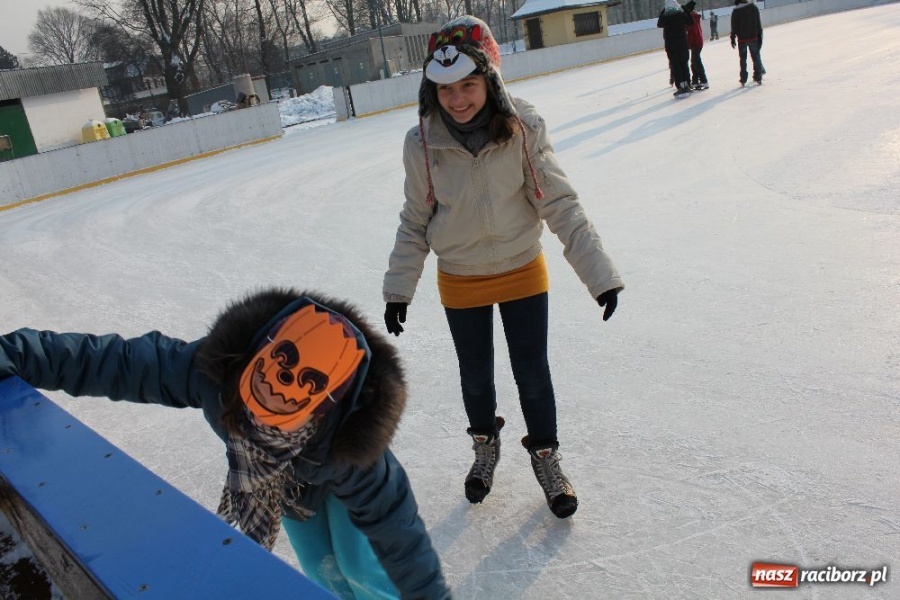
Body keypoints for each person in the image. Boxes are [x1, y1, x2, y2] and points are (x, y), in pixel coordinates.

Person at [0, 288, 450, 600]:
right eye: (276, 370)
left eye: (300, 388)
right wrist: (17, 353)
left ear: (324, 404)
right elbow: (116, 362)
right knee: (324, 572)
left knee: (364, 569)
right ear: (259, 352)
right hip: (283, 490)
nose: (275, 392)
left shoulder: (353, 451)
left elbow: (402, 537)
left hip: (335, 481)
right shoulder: (215, 374)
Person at [381, 16, 624, 520]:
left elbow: (560, 204)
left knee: (532, 374)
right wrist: (399, 288)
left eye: (468, 84)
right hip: (461, 275)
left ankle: (546, 458)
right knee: (475, 379)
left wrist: (599, 276)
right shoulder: (421, 143)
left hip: (520, 267)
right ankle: (484, 449)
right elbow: (415, 219)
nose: (457, 98)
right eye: (445, 88)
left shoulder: (522, 126)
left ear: (489, 79)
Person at [658, 0, 696, 98]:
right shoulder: (680, 14)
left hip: (671, 46)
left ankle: (681, 87)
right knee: (684, 64)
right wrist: (684, 10)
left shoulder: (665, 17)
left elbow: (659, 24)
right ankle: (687, 84)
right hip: (682, 44)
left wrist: (662, 12)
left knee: (676, 66)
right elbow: (691, 22)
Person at [731, 0, 766, 85]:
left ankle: (743, 78)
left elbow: (734, 26)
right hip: (753, 37)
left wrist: (732, 38)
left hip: (742, 39)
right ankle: (758, 76)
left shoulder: (736, 11)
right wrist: (760, 36)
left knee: (743, 59)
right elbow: (758, 23)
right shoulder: (753, 7)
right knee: (756, 57)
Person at [686, 4, 709, 90]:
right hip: (697, 42)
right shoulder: (693, 17)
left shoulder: (692, 19)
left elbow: (693, 32)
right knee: (694, 61)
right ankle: (695, 81)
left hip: (695, 43)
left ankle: (704, 80)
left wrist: (691, 42)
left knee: (697, 62)